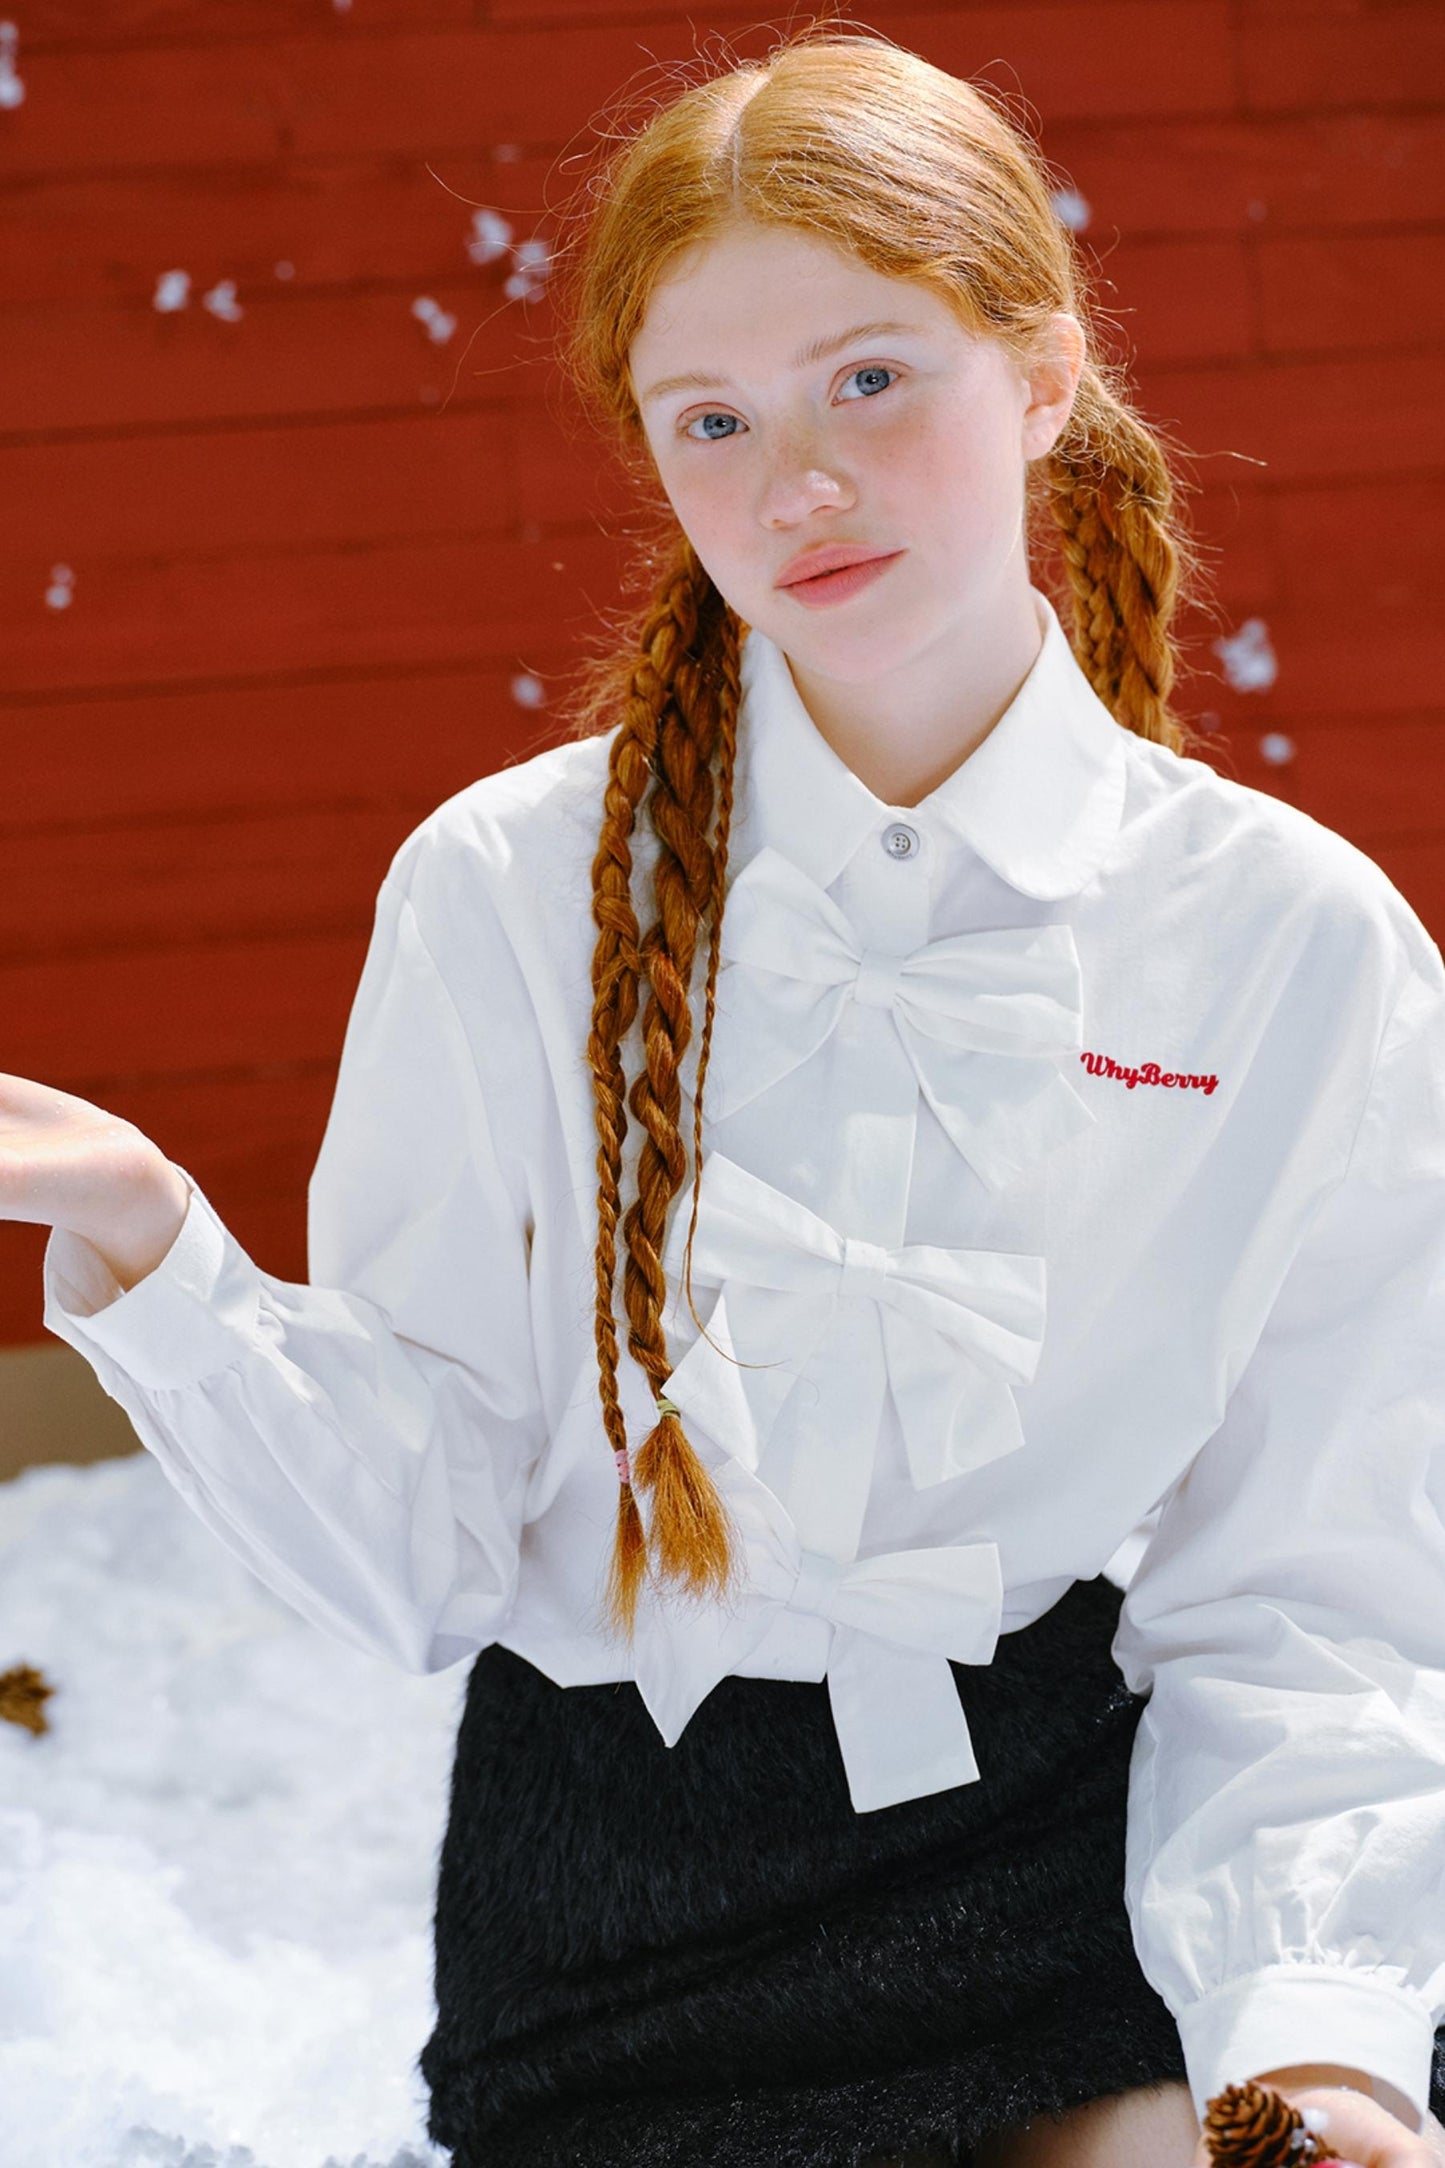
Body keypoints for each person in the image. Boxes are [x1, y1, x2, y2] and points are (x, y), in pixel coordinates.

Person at [10, 26, 1445, 2168]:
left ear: (1042, 369)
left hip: (1074, 1854)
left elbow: (1318, 1593)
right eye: (717, 418)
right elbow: (420, 1552)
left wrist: (1312, 2044)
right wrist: (149, 1246)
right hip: (624, 1907)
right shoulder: (503, 891)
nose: (799, 485)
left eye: (873, 377)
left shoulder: (1291, 943)